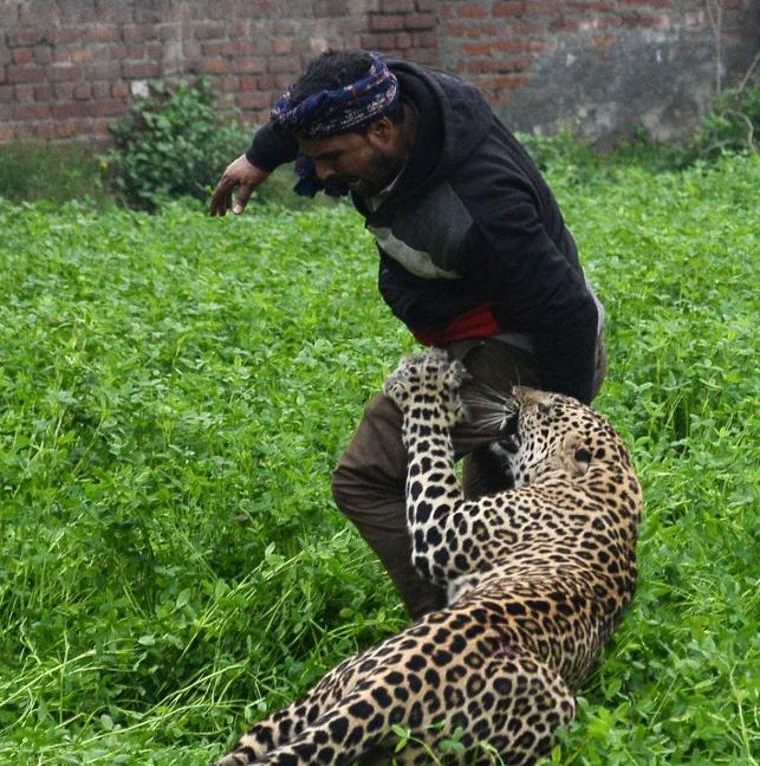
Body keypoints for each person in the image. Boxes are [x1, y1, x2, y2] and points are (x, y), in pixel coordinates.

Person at [209, 50, 607, 620]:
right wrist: (259, 156)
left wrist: (562, 436)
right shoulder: (395, 96)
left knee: (365, 479)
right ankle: (517, 617)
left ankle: (457, 629)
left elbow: (567, 313)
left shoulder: (480, 209)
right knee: (491, 513)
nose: (319, 174)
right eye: (310, 157)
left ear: (382, 131)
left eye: (329, 159)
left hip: (526, 348)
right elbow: (311, 109)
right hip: (477, 324)